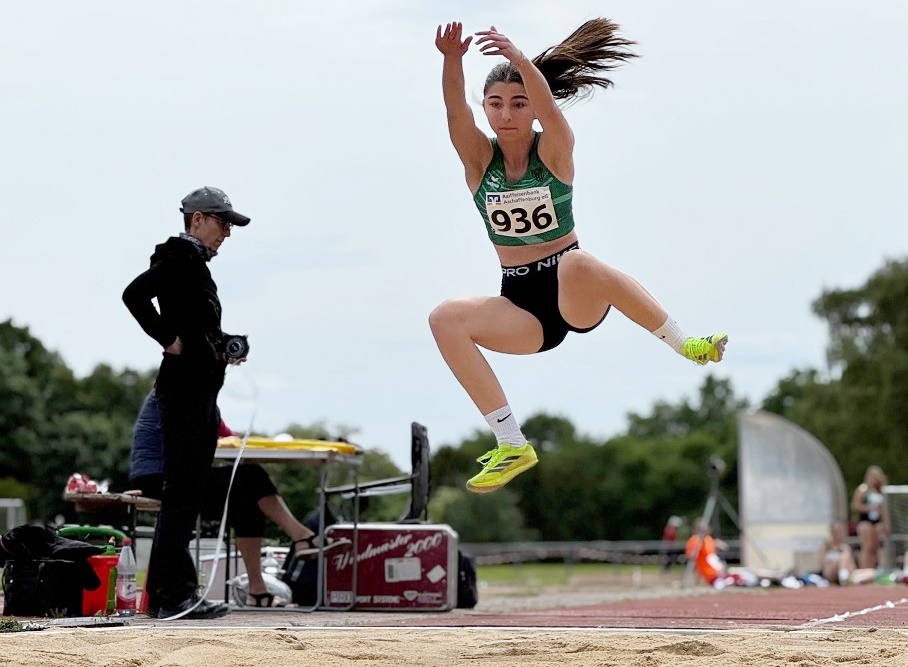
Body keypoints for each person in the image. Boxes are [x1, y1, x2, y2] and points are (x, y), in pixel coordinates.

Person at [429, 20, 728, 494]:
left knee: (578, 262)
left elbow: (552, 113)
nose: (506, 113)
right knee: (444, 318)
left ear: (533, 107)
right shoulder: (479, 162)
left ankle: (685, 343)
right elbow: (453, 113)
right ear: (484, 108)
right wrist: (452, 61)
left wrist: (520, 60)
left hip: (575, 293)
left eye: (518, 102)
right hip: (522, 307)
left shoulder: (554, 150)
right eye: (495, 103)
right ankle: (511, 443)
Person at [122, 186, 251, 619]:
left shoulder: (191, 262)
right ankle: (173, 595)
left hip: (196, 390)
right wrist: (168, 339)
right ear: (197, 219)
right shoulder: (179, 256)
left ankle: (167, 595)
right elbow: (133, 295)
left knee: (185, 494)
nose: (226, 233)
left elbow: (194, 324)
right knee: (182, 493)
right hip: (185, 391)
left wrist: (222, 346)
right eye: (222, 223)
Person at [129, 389, 348, 609]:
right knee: (252, 478)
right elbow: (195, 438)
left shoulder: (195, 395)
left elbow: (226, 436)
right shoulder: (182, 391)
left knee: (248, 498)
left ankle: (258, 591)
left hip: (165, 476)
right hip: (160, 479)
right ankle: (302, 537)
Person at [850, 464, 891, 569]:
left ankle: (881, 568)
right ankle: (865, 568)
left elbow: (885, 510)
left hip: (877, 522)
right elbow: (856, 505)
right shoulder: (863, 490)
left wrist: (887, 524)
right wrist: (870, 508)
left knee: (879, 545)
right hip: (865, 520)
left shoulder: (882, 491)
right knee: (867, 545)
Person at [818, 519, 857, 585]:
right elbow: (823, 564)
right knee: (844, 556)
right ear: (831, 532)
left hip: (847, 570)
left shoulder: (845, 547)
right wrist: (839, 563)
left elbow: (852, 566)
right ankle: (843, 575)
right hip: (830, 572)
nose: (837, 534)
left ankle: (844, 576)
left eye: (839, 532)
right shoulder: (826, 545)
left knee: (870, 572)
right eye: (835, 532)